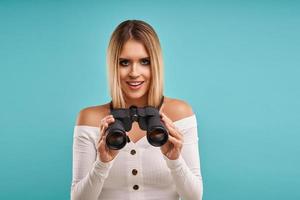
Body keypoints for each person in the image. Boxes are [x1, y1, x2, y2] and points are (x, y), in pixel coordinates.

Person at [70, 19, 203, 200]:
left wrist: (174, 160)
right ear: (113, 66)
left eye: (144, 61)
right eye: (124, 62)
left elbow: (194, 197)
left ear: (155, 64)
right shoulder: (90, 118)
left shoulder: (180, 113)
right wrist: (102, 163)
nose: (134, 72)